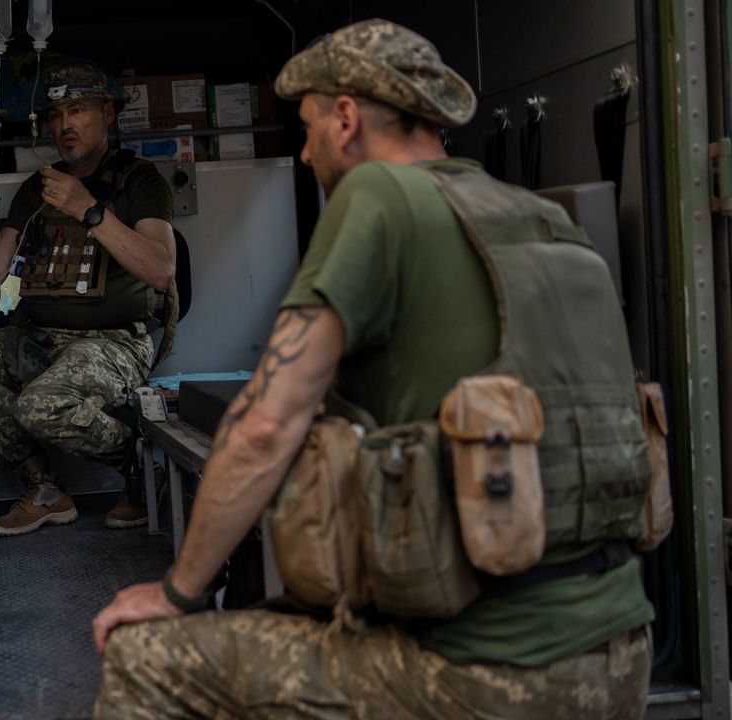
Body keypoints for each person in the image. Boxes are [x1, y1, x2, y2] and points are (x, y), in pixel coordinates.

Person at [90, 19, 654, 719]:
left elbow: (268, 424)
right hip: (623, 653)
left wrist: (174, 593)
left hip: (487, 668)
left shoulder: (378, 195)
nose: (303, 155)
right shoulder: (543, 219)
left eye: (307, 128)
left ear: (347, 118)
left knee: (147, 659)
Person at [0, 64, 177, 537]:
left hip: (112, 342)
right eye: (55, 116)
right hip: (38, 337)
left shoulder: (139, 181)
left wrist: (87, 209)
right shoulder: (39, 188)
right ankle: (44, 490)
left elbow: (160, 270)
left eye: (77, 110)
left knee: (39, 406)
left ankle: (142, 467)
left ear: (107, 113)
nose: (64, 126)